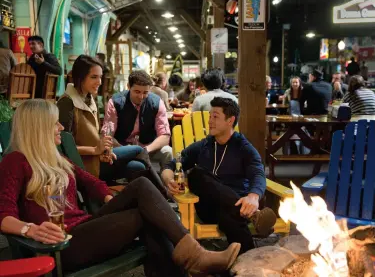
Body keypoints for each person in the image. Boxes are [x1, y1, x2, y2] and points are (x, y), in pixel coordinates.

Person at [0, 99, 241, 277]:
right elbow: (3, 215)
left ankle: (192, 260)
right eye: (55, 124)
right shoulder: (16, 162)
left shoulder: (59, 159)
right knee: (145, 199)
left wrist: (111, 200)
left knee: (146, 205)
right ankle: (196, 257)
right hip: (60, 245)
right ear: (38, 128)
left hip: (84, 227)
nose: (61, 128)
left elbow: (91, 182)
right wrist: (29, 230)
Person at [162, 97, 276, 254]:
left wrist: (253, 197)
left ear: (230, 120)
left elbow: (258, 173)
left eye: (215, 116)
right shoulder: (204, 146)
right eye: (209, 116)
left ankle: (247, 261)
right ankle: (254, 216)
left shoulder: (244, 148)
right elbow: (170, 165)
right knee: (196, 174)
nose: (210, 121)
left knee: (229, 217)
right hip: (209, 207)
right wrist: (169, 180)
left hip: (235, 211)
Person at [57, 55, 146, 183]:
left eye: (100, 77)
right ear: (80, 77)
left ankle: (132, 198)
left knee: (138, 167)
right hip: (82, 165)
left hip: (97, 158)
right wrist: (95, 150)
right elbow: (63, 147)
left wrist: (105, 150)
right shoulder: (67, 103)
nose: (99, 82)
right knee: (138, 150)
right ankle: (164, 191)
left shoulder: (89, 98)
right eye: (94, 77)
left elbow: (94, 136)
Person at [102, 70, 173, 169]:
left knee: (168, 151)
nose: (141, 96)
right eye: (137, 92)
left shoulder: (157, 102)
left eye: (145, 92)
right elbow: (108, 135)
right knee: (134, 166)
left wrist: (145, 150)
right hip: (122, 148)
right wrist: (124, 149)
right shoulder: (115, 102)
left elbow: (165, 136)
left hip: (148, 148)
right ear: (128, 87)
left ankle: (165, 182)